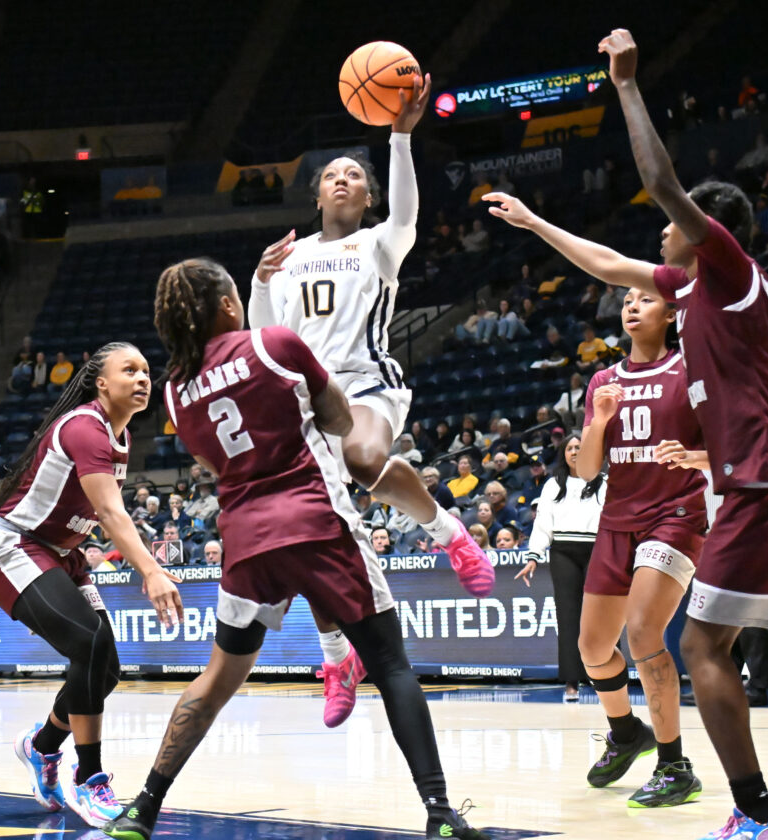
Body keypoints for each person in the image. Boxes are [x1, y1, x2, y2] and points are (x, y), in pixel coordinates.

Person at [490, 28, 768, 839]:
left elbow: (657, 179)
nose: (659, 236)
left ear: (707, 228)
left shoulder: (728, 264)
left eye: (672, 227)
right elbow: (609, 265)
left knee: (705, 649)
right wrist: (539, 225)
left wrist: (624, 86)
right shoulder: (692, 290)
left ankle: (755, 815)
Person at [103, 256, 488, 840]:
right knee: (390, 664)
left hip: (245, 543)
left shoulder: (176, 395)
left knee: (214, 682)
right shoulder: (275, 344)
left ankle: (143, 808)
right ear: (231, 305)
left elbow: (212, 463)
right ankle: (438, 812)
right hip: (314, 520)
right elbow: (336, 420)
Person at [247, 71, 493, 616]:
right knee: (320, 524)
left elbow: (407, 214)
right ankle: (338, 653)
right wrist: (260, 281)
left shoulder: (379, 243)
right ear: (315, 195)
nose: (341, 179)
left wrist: (400, 137)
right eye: (331, 174)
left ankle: (450, 534)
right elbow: (264, 336)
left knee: (363, 458)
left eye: (353, 174)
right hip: (306, 399)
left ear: (367, 194)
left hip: (364, 380)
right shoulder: (288, 257)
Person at [0, 342, 183, 828]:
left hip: (62, 555)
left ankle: (42, 746)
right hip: (15, 547)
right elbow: (110, 513)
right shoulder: (85, 427)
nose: (142, 378)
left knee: (104, 669)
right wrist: (150, 570)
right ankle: (90, 781)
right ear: (101, 383)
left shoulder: (121, 436)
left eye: (146, 370)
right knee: (87, 644)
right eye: (128, 369)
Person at [573, 286, 708, 807]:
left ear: (672, 313)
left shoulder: (691, 372)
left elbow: (730, 444)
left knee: (644, 628)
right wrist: (601, 420)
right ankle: (627, 733)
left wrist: (694, 457)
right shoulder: (604, 380)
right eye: (626, 300)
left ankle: (676, 766)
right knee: (591, 648)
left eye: (645, 299)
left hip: (675, 515)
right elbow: (586, 469)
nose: (631, 306)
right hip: (616, 520)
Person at [516, 434, 604, 702]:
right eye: (570, 448)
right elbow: (543, 524)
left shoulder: (605, 483)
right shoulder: (553, 486)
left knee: (600, 618)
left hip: (596, 551)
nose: (575, 451)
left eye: (580, 447)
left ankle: (604, 677)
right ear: (563, 454)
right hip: (563, 553)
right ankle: (572, 681)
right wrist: (534, 556)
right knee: (568, 618)